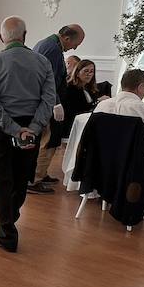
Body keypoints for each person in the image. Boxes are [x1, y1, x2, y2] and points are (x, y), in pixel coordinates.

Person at [0, 16, 56, 253]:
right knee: (22, 177)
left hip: (3, 129)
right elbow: (49, 99)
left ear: (1, 37)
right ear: (25, 36)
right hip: (31, 127)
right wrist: (33, 128)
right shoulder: (43, 62)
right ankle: (9, 220)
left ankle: (7, 231)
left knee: (2, 179)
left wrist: (13, 129)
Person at [30, 23, 86, 194]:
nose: (75, 47)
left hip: (44, 101)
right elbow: (49, 80)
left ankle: (41, 173)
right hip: (45, 103)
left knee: (48, 139)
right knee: (46, 140)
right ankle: (34, 180)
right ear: (67, 38)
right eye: (75, 43)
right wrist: (55, 103)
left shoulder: (48, 44)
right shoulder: (52, 49)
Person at [61, 58, 108, 134]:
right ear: (77, 73)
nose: (89, 74)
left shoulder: (89, 89)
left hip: (85, 125)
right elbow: (78, 110)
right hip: (70, 127)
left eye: (91, 71)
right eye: (86, 71)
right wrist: (98, 101)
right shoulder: (70, 89)